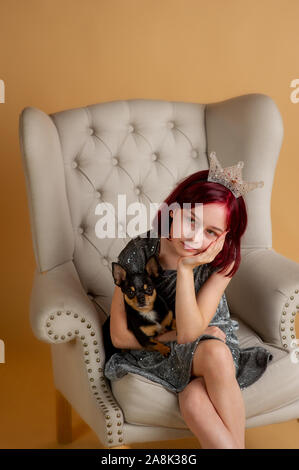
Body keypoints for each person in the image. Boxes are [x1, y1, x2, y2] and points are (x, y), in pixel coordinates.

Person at [103, 151, 273, 449]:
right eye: (190, 220)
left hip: (211, 345)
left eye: (211, 232)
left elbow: (193, 332)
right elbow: (119, 336)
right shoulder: (138, 253)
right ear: (174, 209)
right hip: (160, 350)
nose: (195, 238)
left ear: (223, 239)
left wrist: (185, 270)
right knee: (198, 388)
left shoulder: (223, 262)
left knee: (202, 385)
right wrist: (182, 334)